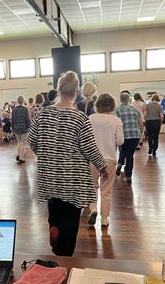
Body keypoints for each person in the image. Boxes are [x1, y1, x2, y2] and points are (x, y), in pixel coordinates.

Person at [28, 71, 107, 256]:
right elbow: (90, 148)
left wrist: (46, 155)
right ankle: (64, 252)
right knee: (70, 219)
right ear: (76, 92)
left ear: (58, 89)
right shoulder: (80, 118)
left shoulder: (43, 115)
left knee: (54, 209)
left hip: (50, 176)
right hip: (72, 179)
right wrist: (102, 166)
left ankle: (54, 233)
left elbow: (32, 140)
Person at [88, 94, 123, 227]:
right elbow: (120, 141)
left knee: (93, 187)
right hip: (109, 159)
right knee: (106, 190)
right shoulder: (116, 121)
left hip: (92, 158)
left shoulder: (90, 118)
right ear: (112, 105)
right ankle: (104, 219)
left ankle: (93, 209)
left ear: (97, 105)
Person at [116, 93, 142, 183]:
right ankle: (128, 176)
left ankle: (120, 163)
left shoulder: (118, 110)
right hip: (135, 135)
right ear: (129, 99)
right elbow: (140, 123)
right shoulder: (134, 109)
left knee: (122, 150)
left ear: (120, 99)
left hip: (123, 134)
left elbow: (117, 124)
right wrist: (140, 133)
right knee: (130, 155)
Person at [11, 96, 30, 164]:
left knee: (19, 142)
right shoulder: (25, 109)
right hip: (24, 128)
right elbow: (27, 119)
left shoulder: (14, 109)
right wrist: (29, 126)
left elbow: (12, 120)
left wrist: (12, 127)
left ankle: (18, 155)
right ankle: (21, 158)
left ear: (17, 101)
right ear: (23, 101)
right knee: (23, 143)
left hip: (16, 128)